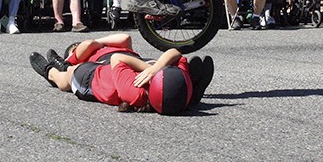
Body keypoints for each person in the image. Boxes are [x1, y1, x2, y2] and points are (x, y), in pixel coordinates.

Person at [28, 35, 214, 114]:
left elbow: (117, 57)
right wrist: (154, 68)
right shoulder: (153, 83)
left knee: (68, 75)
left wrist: (149, 69)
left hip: (93, 79)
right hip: (116, 65)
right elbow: (175, 54)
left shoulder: (135, 92)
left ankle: (49, 71)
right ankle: (187, 95)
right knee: (70, 68)